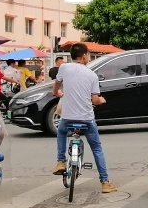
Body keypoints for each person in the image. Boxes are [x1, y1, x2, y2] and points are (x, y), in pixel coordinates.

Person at [50, 42, 117, 194]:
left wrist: (58, 94)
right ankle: (105, 182)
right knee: (97, 148)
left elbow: (56, 88)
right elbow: (95, 100)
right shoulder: (92, 75)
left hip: (67, 118)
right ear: (85, 56)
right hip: (87, 119)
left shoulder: (64, 68)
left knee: (61, 132)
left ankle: (61, 161)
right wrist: (102, 100)